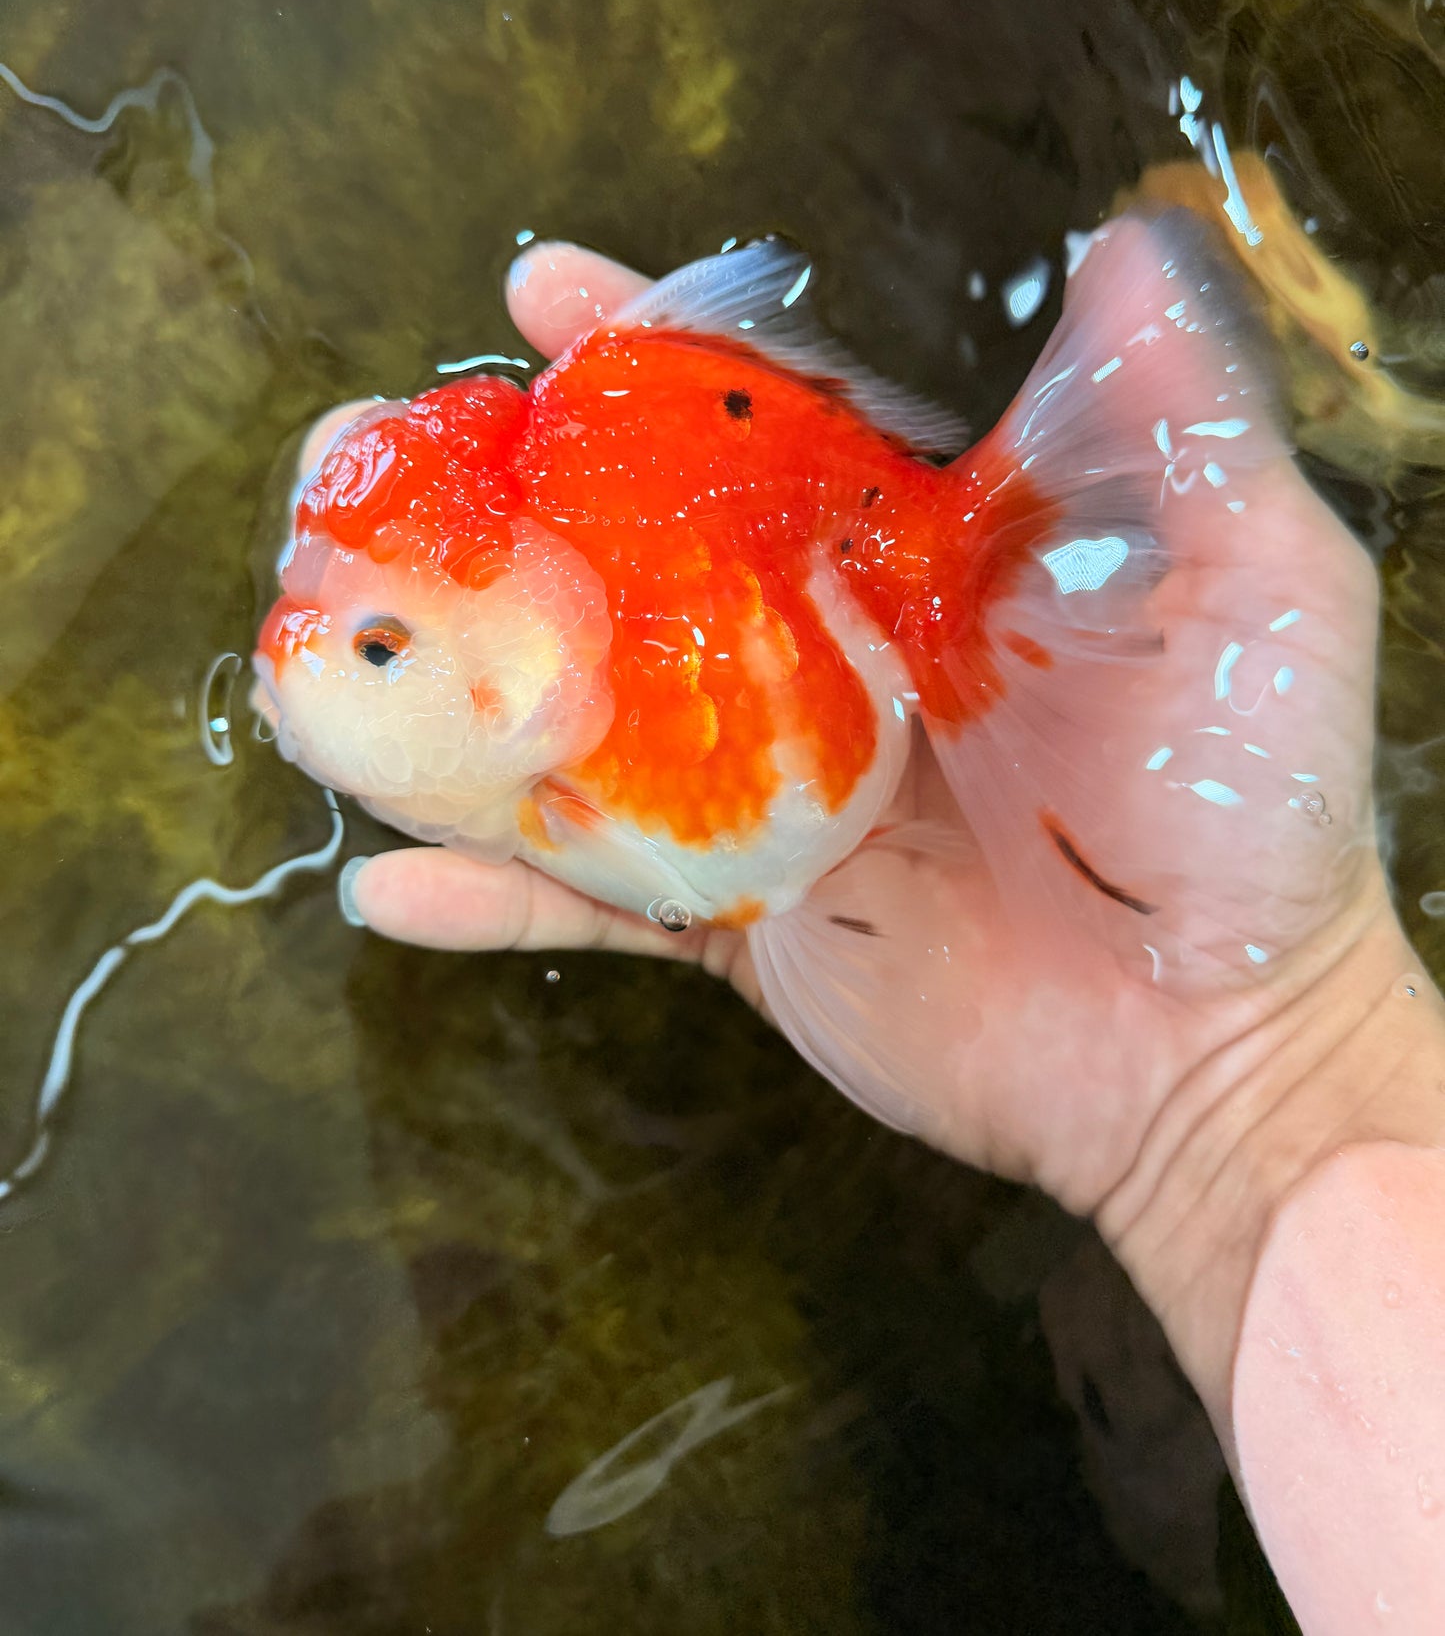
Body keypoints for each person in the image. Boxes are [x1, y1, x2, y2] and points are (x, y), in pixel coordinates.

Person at [330, 240, 1445, 1633]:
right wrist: (1244, 1096)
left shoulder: (546, 759)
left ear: (496, 682)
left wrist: (1248, 1075)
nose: (314, 670)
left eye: (376, 646)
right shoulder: (521, 740)